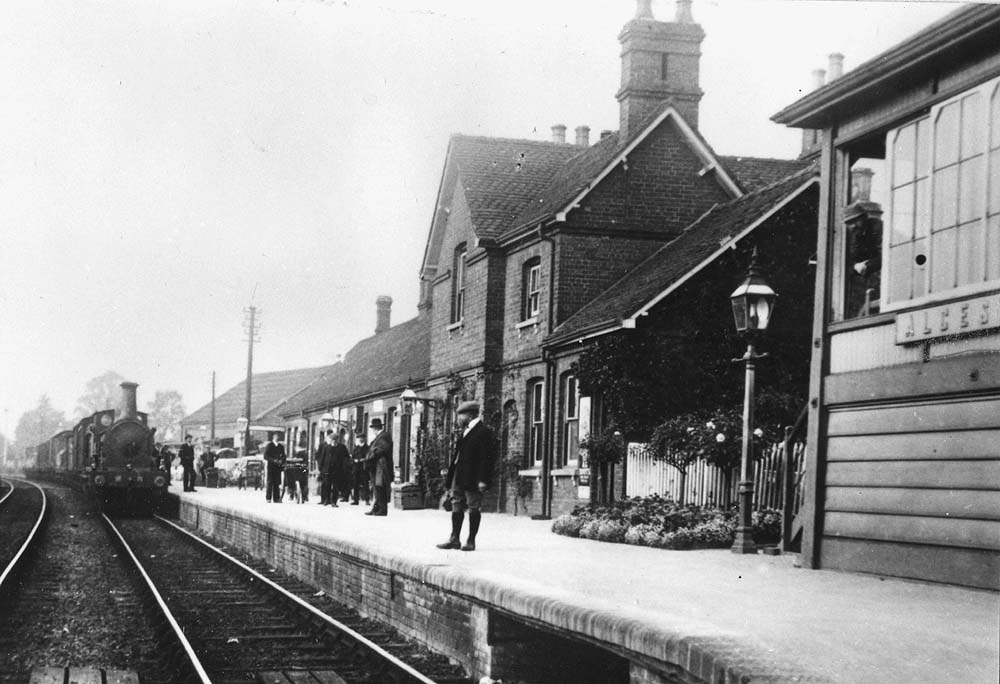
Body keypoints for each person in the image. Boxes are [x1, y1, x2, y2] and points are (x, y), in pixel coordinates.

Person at [437, 401, 494, 551]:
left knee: (473, 506)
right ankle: (454, 538)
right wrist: (451, 477)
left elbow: (487, 458)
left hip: (473, 477)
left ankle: (470, 540)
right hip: (459, 474)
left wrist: (483, 480)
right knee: (456, 503)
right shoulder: (465, 431)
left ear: (468, 415)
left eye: (460, 416)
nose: (458, 419)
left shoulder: (483, 432)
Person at [364, 418, 393, 516]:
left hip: (381, 466)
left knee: (380, 487)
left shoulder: (384, 436)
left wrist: (372, 454)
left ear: (376, 428)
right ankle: (376, 508)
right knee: (377, 487)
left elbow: (382, 449)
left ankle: (382, 510)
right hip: (377, 466)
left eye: (373, 429)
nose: (373, 431)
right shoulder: (380, 437)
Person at [263, 432, 286, 503]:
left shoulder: (281, 447)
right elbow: (265, 456)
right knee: (270, 482)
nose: (277, 438)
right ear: (273, 437)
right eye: (276, 436)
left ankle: (276, 498)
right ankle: (268, 498)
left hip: (278, 467)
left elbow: (284, 456)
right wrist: (273, 460)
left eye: (278, 436)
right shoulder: (269, 446)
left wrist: (281, 461)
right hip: (271, 467)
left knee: (277, 483)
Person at [350, 429, 371, 506]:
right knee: (355, 484)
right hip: (356, 469)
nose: (360, 439)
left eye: (361, 438)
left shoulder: (367, 447)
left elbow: (368, 457)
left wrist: (362, 460)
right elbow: (352, 456)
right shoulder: (356, 448)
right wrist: (354, 460)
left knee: (365, 484)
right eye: (359, 438)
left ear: (364, 439)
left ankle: (367, 500)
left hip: (364, 468)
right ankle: (356, 500)